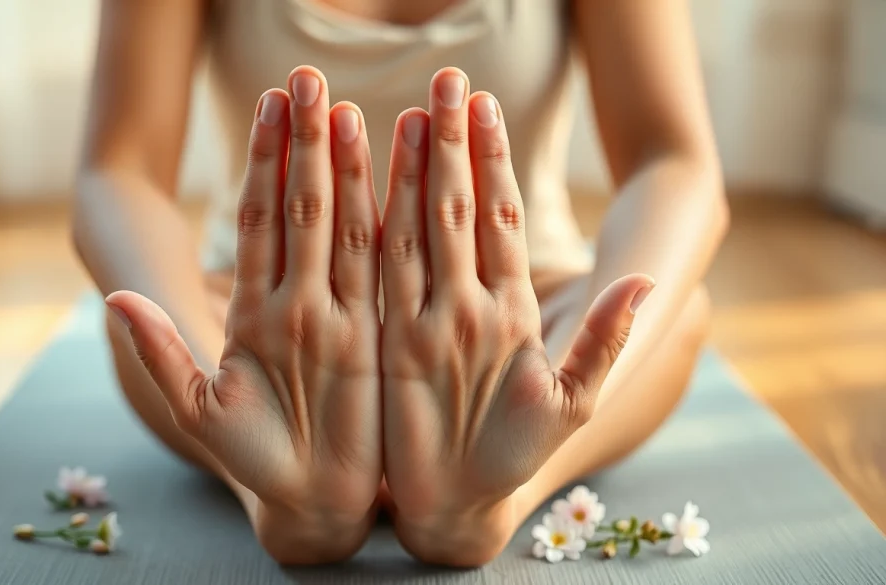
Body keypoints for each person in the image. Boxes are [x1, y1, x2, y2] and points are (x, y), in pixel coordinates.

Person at [74, 0, 728, 567]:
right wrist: (209, 385)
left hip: (521, 317)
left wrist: (556, 379)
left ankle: (495, 493)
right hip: (268, 325)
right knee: (143, 323)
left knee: (677, 312)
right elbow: (119, 169)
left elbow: (673, 159)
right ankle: (279, 488)